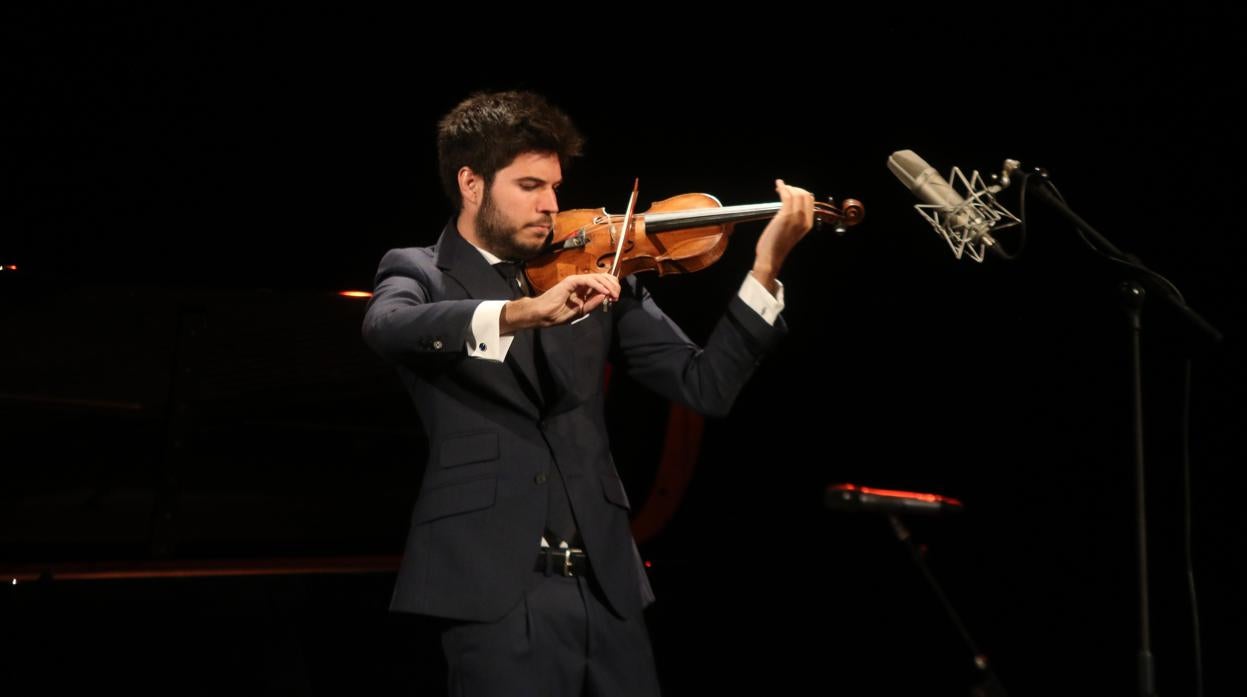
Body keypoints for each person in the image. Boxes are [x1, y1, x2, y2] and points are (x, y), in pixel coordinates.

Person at [362, 90, 814, 696]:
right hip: (491, 591)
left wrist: (765, 269)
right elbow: (385, 327)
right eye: (529, 186)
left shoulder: (597, 267)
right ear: (472, 184)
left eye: (554, 185)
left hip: (608, 587)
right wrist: (522, 311)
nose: (552, 204)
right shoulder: (419, 270)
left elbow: (704, 385)